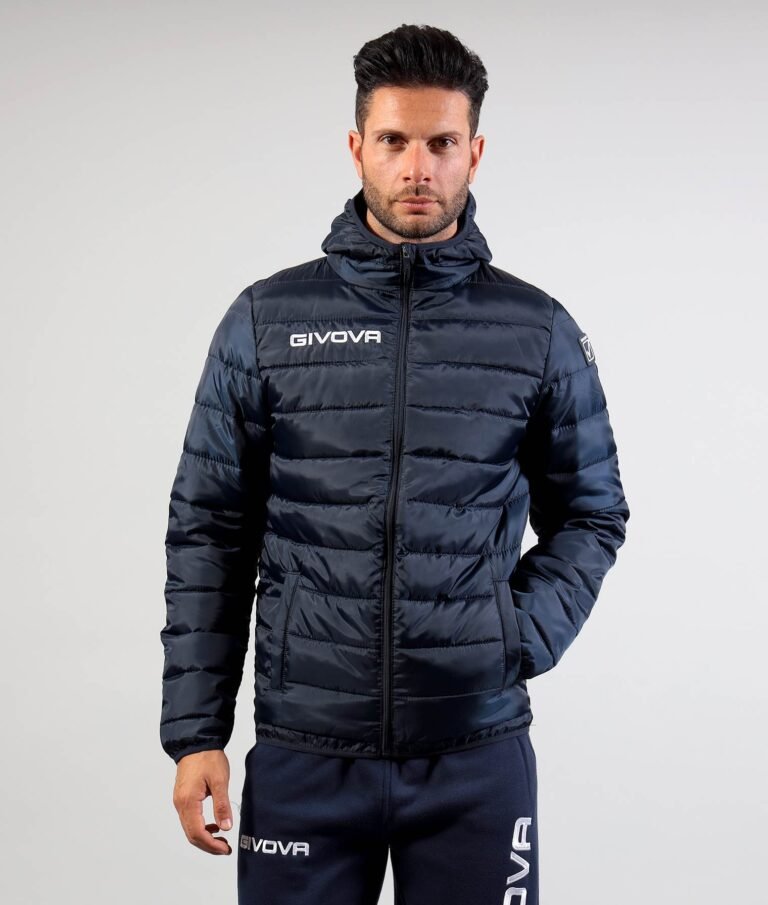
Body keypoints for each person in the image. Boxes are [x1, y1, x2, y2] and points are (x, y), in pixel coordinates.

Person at [159, 23, 630, 905]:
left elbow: (593, 510)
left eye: (442, 143)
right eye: (394, 141)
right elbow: (210, 530)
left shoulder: (537, 330)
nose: (418, 167)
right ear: (357, 148)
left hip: (474, 754)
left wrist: (515, 634)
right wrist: (196, 732)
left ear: (475, 152)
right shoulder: (266, 321)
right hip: (305, 749)